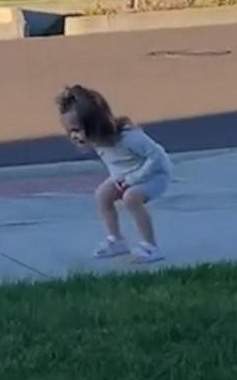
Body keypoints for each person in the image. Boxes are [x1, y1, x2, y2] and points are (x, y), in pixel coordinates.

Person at [56, 85, 173, 263]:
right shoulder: (97, 141)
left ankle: (151, 246)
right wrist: (120, 179)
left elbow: (158, 157)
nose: (74, 136)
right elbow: (115, 165)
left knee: (131, 198)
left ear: (95, 125)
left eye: (78, 130)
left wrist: (133, 179)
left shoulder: (129, 138)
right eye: (71, 131)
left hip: (155, 175)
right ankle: (116, 240)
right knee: (102, 195)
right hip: (126, 177)